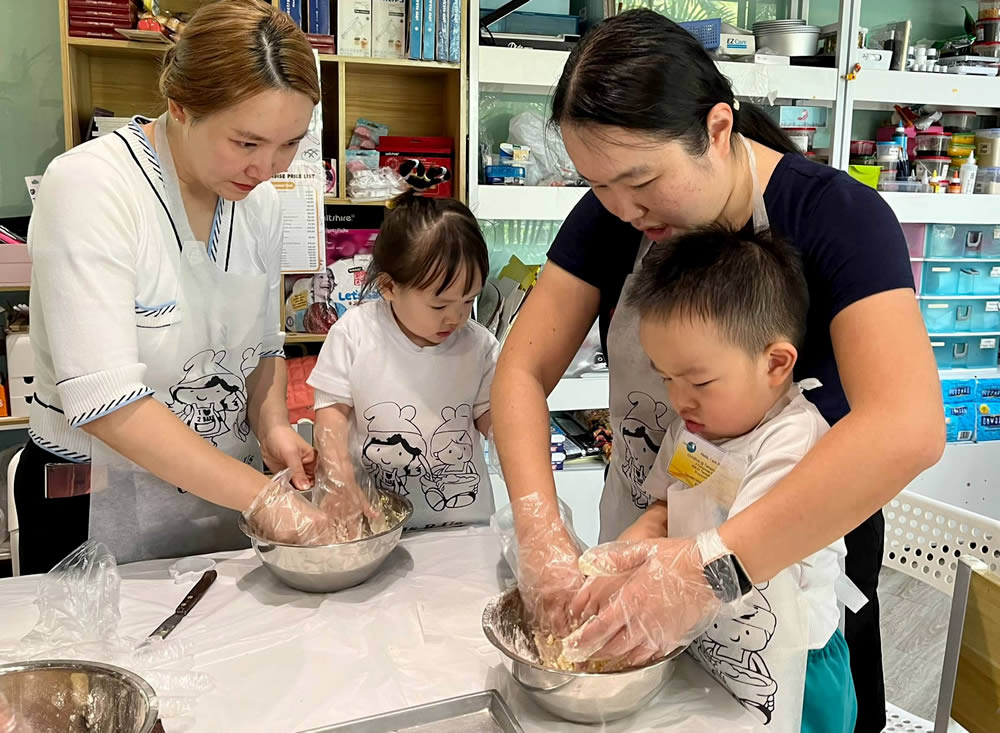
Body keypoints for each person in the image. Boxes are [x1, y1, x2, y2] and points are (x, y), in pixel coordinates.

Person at [489, 10, 944, 731]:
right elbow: (520, 370)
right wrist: (539, 532)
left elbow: (908, 427)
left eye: (641, 179)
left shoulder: (837, 219)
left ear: (718, 129)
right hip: (643, 561)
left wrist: (708, 571)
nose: (622, 208)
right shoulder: (612, 218)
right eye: (597, 184)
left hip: (788, 598)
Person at [15, 0, 331, 573]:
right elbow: (105, 402)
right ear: (180, 106)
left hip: (224, 488)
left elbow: (263, 347)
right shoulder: (91, 186)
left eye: (290, 143)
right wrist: (265, 499)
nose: (268, 168)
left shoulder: (259, 204)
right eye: (246, 143)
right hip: (94, 493)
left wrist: (273, 426)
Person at [565, 226, 856, 732]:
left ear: (776, 363)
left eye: (698, 381)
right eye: (666, 378)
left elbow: (745, 561)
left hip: (791, 661)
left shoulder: (795, 441)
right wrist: (627, 552)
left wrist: (657, 582)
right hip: (710, 641)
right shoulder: (695, 428)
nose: (679, 400)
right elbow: (667, 505)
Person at [307, 192, 500, 532]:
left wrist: (511, 439)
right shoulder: (355, 334)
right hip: (373, 519)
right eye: (440, 306)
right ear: (389, 287)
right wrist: (338, 478)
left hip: (461, 521)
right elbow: (331, 413)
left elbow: (490, 417)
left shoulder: (479, 346)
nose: (456, 317)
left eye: (468, 300)